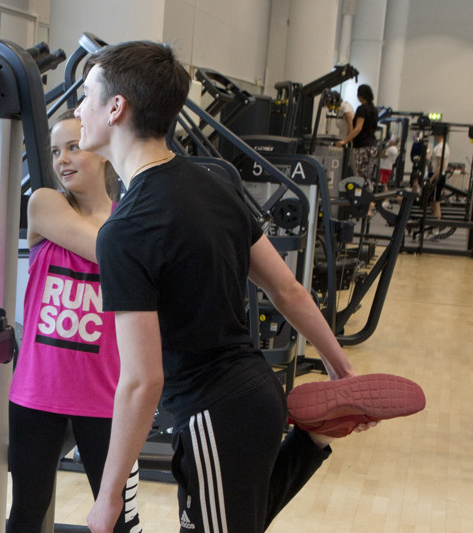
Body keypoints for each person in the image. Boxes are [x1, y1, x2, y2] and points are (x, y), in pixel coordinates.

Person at [72, 41, 425, 533]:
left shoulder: (126, 229)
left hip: (214, 416)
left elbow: (141, 380)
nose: (77, 109)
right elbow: (289, 291)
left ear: (116, 107)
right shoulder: (216, 184)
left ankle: (315, 439)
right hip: (256, 392)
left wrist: (109, 497)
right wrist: (339, 366)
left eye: (85, 96)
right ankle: (315, 439)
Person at [7, 110, 141, 533]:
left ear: (101, 153)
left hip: (105, 396)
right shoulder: (45, 203)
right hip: (37, 392)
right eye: (55, 151)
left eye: (73, 147)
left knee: (118, 520)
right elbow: (108, 251)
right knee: (27, 514)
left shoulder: (127, 216)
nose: (61, 159)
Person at [336, 84, 379, 190]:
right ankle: (368, 198)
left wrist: (345, 140)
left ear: (360, 95)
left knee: (361, 177)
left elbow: (358, 128)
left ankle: (364, 198)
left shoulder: (361, 109)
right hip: (373, 146)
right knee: (367, 177)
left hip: (363, 147)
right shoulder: (374, 110)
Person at [426, 132, 451, 236]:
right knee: (432, 202)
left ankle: (436, 229)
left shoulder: (441, 147)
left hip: (437, 177)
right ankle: (433, 227)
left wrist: (432, 179)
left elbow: (441, 167)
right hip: (435, 176)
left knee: (436, 203)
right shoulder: (439, 146)